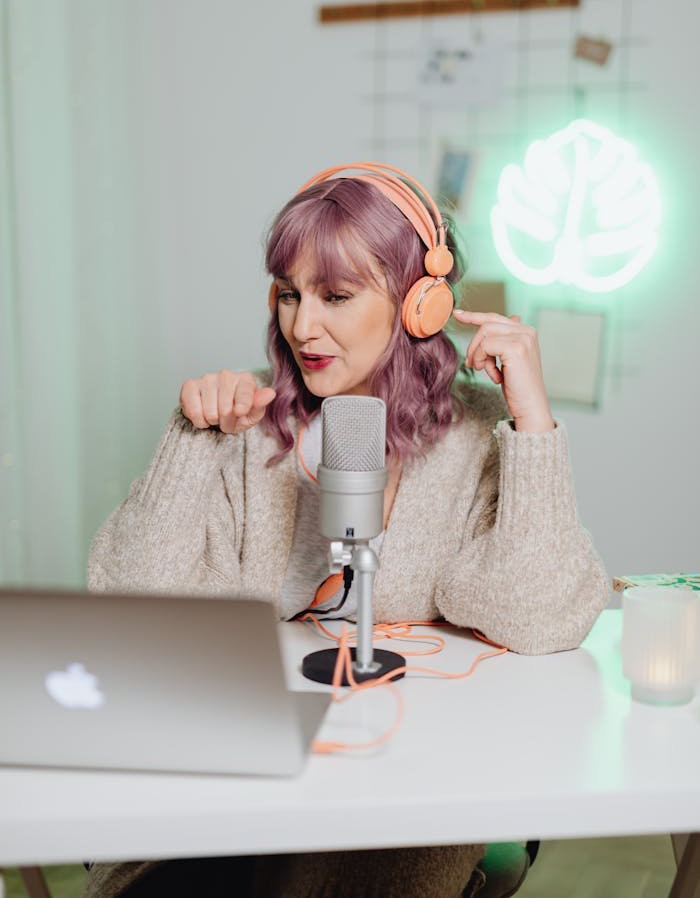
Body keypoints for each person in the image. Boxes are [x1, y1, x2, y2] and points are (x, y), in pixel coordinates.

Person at [85, 162, 609, 898]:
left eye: (335, 295)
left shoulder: (477, 435)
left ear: (418, 304)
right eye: (291, 295)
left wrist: (532, 419)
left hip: (406, 767)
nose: (303, 327)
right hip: (248, 757)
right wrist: (190, 435)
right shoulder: (243, 420)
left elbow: (541, 612)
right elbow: (135, 606)